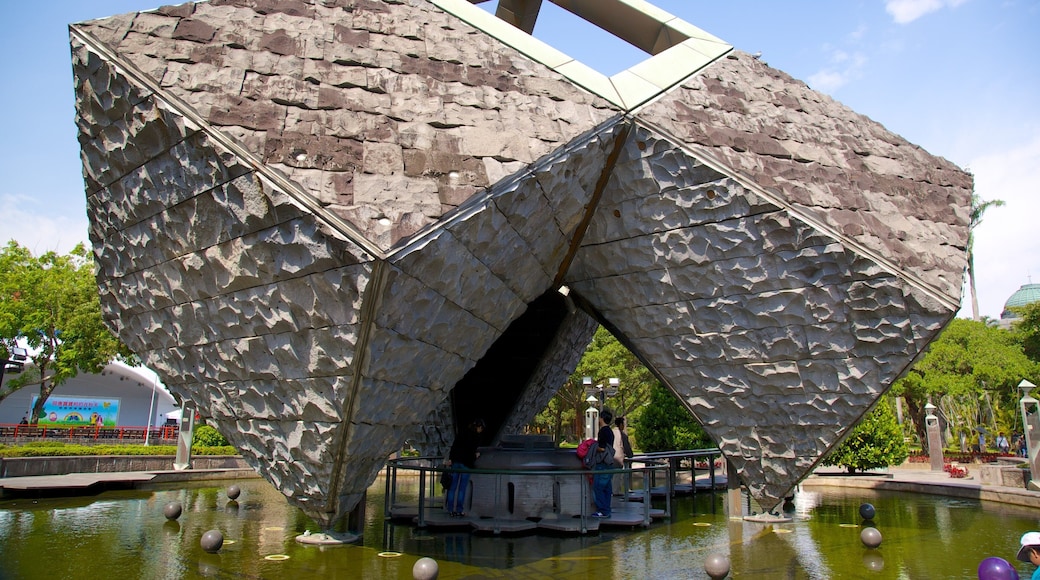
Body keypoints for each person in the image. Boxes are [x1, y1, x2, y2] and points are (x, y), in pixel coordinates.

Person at [445, 418, 484, 517]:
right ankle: (459, 510)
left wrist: (451, 459)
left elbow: (454, 447)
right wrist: (475, 456)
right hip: (466, 464)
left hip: (456, 462)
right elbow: (471, 451)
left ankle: (450, 509)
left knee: (452, 487)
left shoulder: (461, 433)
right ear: (478, 427)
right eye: (481, 428)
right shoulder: (476, 437)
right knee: (462, 489)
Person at [584, 409, 615, 518]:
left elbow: (602, 448)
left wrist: (593, 448)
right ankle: (607, 509)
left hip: (602, 463)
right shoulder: (610, 431)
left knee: (598, 487)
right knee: (607, 488)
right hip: (609, 463)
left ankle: (602, 510)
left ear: (601, 418)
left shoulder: (603, 431)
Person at [611, 416, 634, 495]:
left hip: (610, 457)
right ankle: (616, 491)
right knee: (618, 475)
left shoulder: (611, 432)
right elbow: (627, 447)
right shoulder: (622, 435)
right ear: (620, 424)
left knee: (612, 476)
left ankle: (613, 490)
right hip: (618, 458)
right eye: (623, 424)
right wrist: (630, 455)